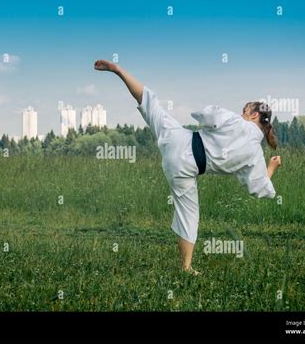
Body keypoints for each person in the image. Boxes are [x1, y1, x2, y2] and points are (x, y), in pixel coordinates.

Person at [94, 59, 282, 276]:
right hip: (184, 170)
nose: (242, 113)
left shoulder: (236, 122)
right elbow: (259, 187)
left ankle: (119, 70)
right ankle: (185, 268)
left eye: (245, 110)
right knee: (189, 215)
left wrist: (205, 119)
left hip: (179, 141)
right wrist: (272, 166)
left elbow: (205, 115)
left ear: (254, 115)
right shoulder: (255, 155)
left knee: (152, 106)